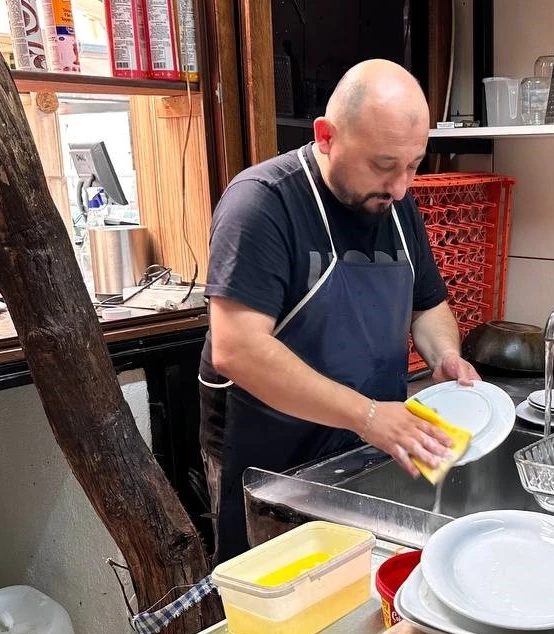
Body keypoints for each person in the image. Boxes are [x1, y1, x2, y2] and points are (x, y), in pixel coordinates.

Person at [197, 59, 480, 562]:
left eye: (413, 165)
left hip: (361, 454)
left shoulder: (397, 205)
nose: (400, 187)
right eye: (384, 165)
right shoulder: (262, 205)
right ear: (326, 137)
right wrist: (367, 416)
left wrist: (445, 355)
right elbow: (238, 349)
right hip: (271, 467)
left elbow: (428, 305)